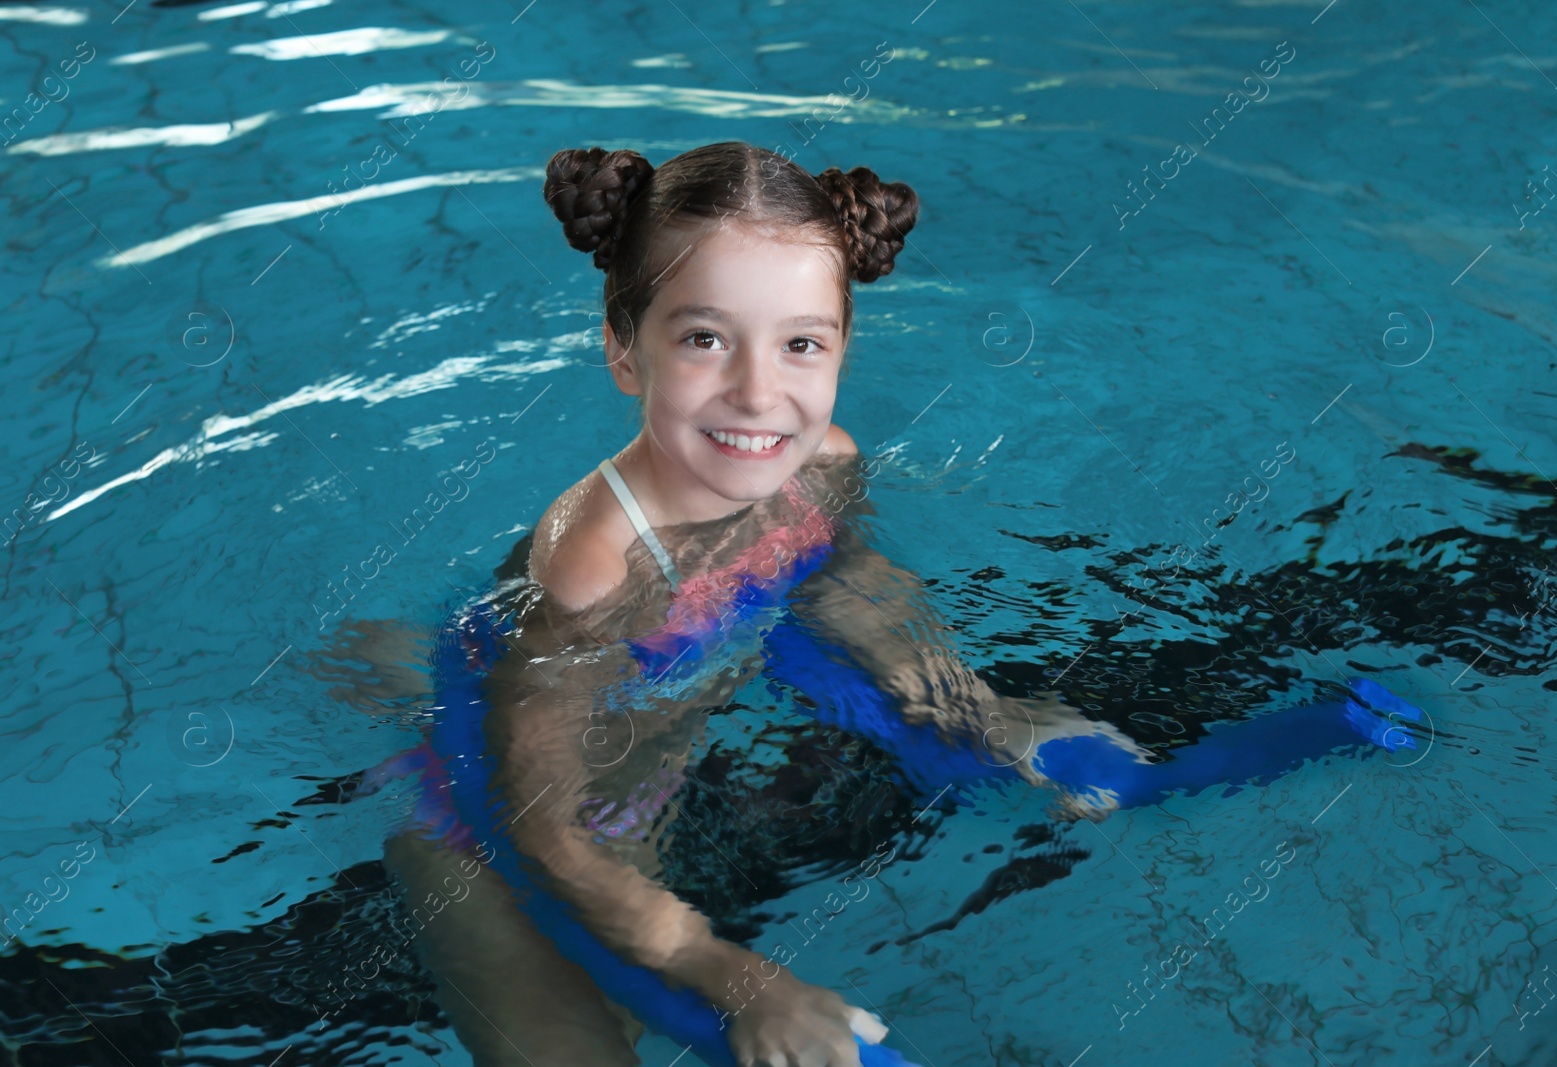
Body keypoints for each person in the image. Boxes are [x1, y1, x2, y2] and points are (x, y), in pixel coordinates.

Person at [374, 140, 1416, 1067]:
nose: (755, 391)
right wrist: (741, 978)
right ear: (621, 346)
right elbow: (548, 830)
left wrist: (980, 711)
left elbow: (846, 583)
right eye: (703, 339)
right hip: (493, 813)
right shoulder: (594, 563)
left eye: (800, 343)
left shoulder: (820, 465)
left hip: (660, 736)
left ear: (842, 349)